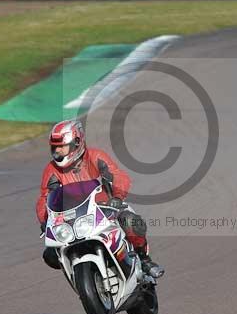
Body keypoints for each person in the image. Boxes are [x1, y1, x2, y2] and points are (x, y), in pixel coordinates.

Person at [36, 119, 164, 278]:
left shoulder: (95, 156)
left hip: (106, 210)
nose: (58, 152)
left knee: (131, 222)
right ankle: (81, 278)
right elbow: (45, 198)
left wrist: (117, 197)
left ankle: (145, 260)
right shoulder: (51, 170)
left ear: (77, 143)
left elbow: (118, 176)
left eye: (62, 147)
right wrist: (45, 220)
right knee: (51, 254)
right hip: (73, 220)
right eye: (55, 148)